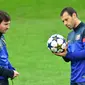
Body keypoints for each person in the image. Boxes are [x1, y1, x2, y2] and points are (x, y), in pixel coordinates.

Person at [53, 7, 85, 85]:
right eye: (63, 21)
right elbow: (68, 59)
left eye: (66, 19)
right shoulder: (70, 36)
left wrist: (68, 54)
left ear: (74, 15)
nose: (65, 23)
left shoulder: (84, 30)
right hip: (74, 79)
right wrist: (63, 53)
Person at [0, 11, 19, 85]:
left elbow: (3, 57)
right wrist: (8, 72)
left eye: (9, 24)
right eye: (5, 24)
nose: (8, 27)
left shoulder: (1, 37)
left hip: (3, 79)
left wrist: (10, 68)